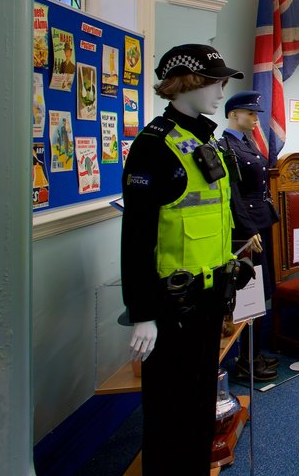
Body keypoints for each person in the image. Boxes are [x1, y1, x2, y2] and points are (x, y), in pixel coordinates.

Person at [121, 43, 248, 475]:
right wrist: (141, 312)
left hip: (212, 296)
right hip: (172, 302)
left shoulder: (207, 140)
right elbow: (136, 238)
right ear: (186, 83)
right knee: (167, 408)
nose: (220, 91)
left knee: (199, 403)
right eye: (215, 81)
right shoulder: (154, 146)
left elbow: (215, 215)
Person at [219, 91, 280, 382]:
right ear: (233, 114)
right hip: (246, 231)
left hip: (260, 224)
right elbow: (232, 195)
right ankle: (245, 360)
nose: (256, 119)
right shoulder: (224, 146)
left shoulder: (248, 143)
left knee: (261, 288)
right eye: (251, 114)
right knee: (248, 292)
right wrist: (248, 231)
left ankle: (253, 353)